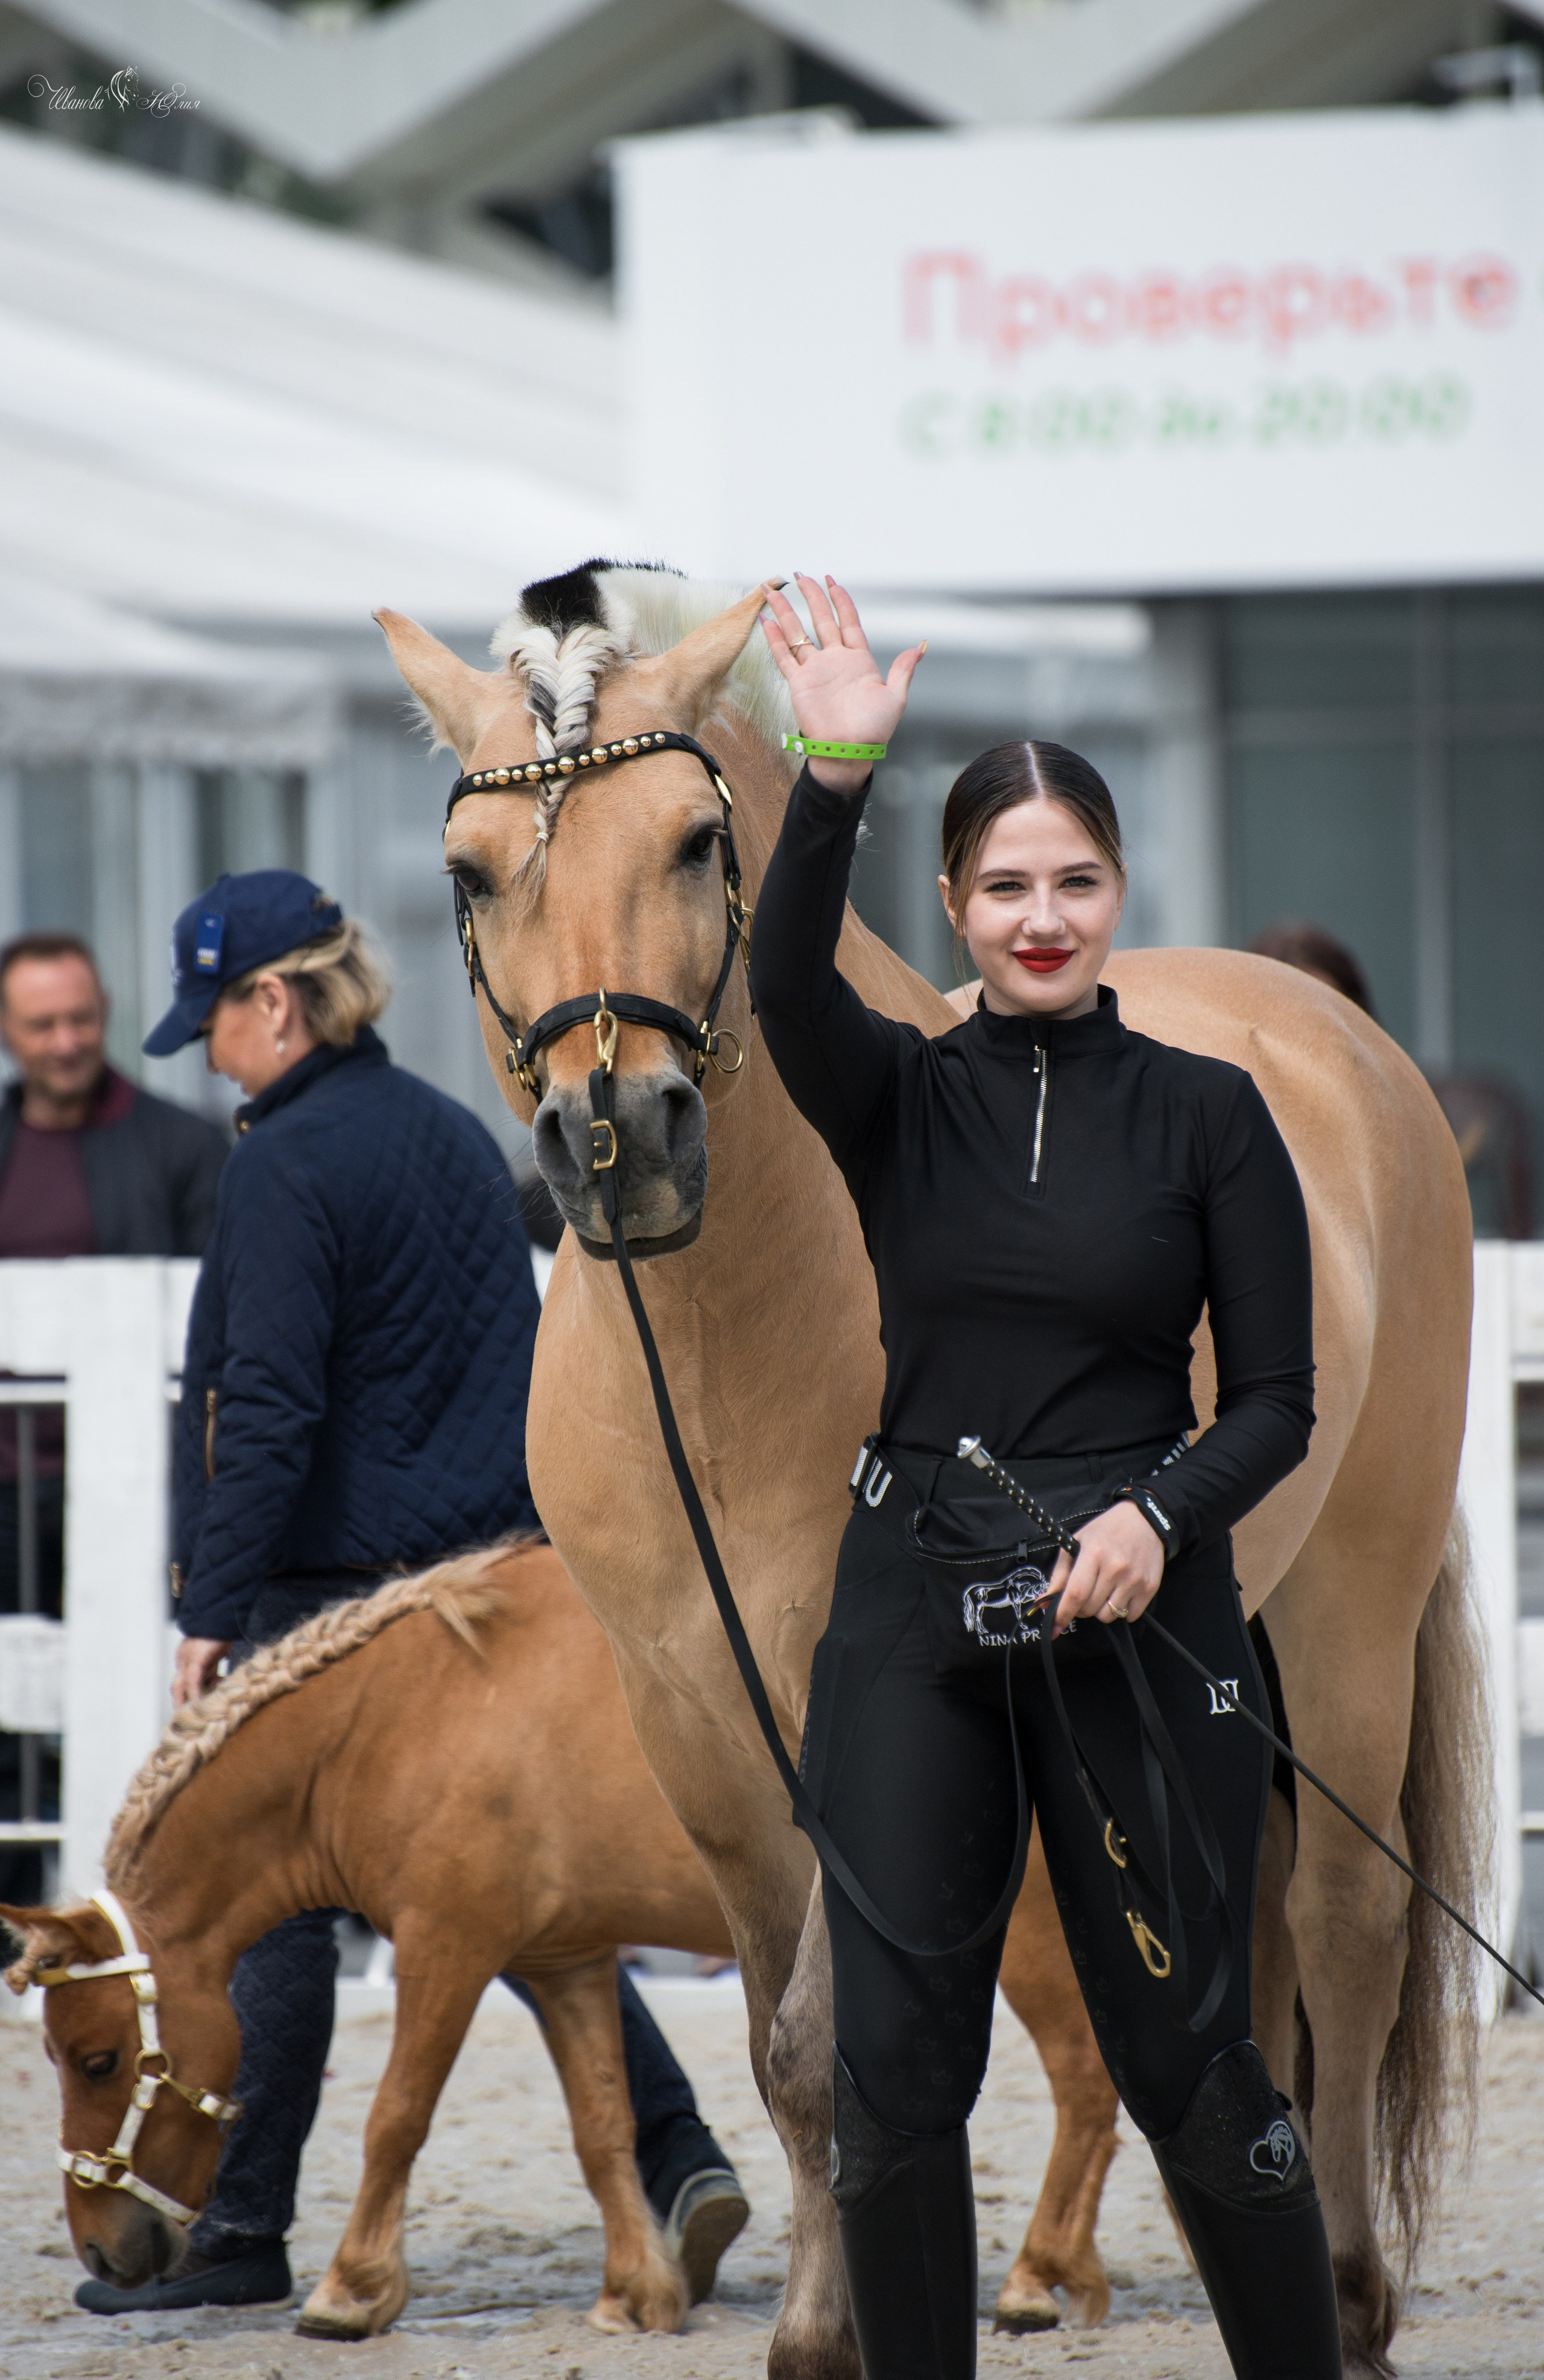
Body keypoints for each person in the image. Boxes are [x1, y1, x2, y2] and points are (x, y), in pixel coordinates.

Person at [748, 577, 1338, 2380]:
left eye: (1073, 880)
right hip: (915, 1602)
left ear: (1119, 897)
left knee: (1188, 2053)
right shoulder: (895, 1097)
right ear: (951, 908)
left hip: (1144, 1612)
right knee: (901, 2071)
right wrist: (833, 775)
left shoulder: (1209, 1114)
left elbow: (1282, 1403)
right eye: (1004, 885)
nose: (1040, 915)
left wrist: (1157, 1519)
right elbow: (777, 974)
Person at [75, 870, 747, 2315]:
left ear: (280, 1000)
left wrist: (214, 1604)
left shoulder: (282, 1160)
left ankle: (242, 2223)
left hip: (336, 1607)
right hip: (491, 1576)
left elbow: (264, 1402)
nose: (211, 1053)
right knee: (526, 1896)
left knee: (275, 1913)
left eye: (221, 1020)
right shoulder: (454, 1128)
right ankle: (681, 2155)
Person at [0, 933, 228, 1900]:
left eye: (81, 1018)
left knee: (142, 1699)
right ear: (8, 1033)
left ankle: (140, 1911)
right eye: (42, 1023)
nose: (65, 1041)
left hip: (134, 1493)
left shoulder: (184, 1147)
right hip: (7, 1488)